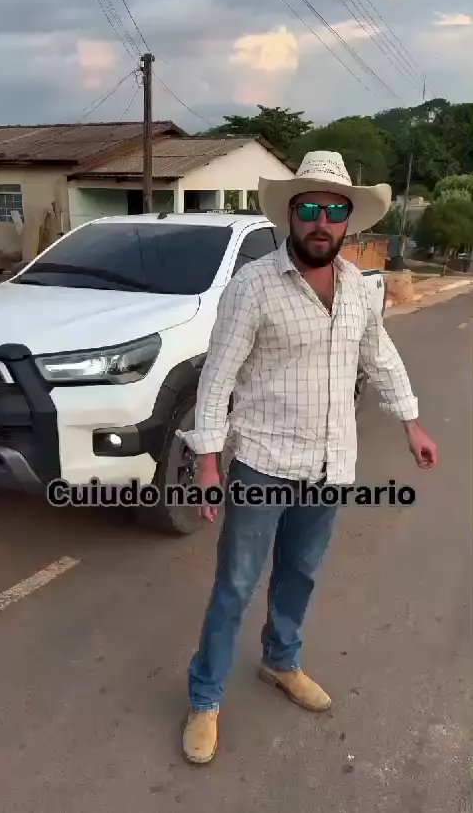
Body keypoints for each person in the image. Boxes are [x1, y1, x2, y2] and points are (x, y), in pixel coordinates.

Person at [177, 150, 437, 765]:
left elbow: (379, 357)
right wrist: (208, 464)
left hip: (331, 466)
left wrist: (411, 422)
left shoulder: (359, 289)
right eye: (311, 208)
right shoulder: (252, 287)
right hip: (263, 462)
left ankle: (280, 660)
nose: (322, 221)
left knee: (300, 574)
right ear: (291, 214)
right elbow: (217, 378)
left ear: (348, 221)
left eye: (335, 211)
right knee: (236, 585)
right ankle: (205, 697)